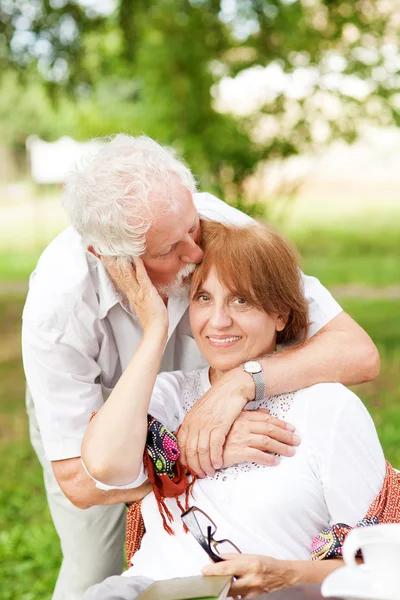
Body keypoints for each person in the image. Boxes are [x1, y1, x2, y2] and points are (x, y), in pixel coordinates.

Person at [22, 135, 379, 600]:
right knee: (91, 570)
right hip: (110, 415)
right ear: (111, 257)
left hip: (215, 375)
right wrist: (197, 449)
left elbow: (355, 350)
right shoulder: (58, 307)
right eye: (169, 250)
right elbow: (85, 481)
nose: (194, 254)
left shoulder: (211, 224)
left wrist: (237, 384)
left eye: (193, 229)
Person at [80, 220, 386, 600]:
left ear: (280, 314)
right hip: (147, 588)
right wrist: (156, 325)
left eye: (241, 300)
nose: (219, 321)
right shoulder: (166, 394)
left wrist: (286, 576)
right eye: (203, 298)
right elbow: (105, 466)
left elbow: (384, 563)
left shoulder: (328, 408)